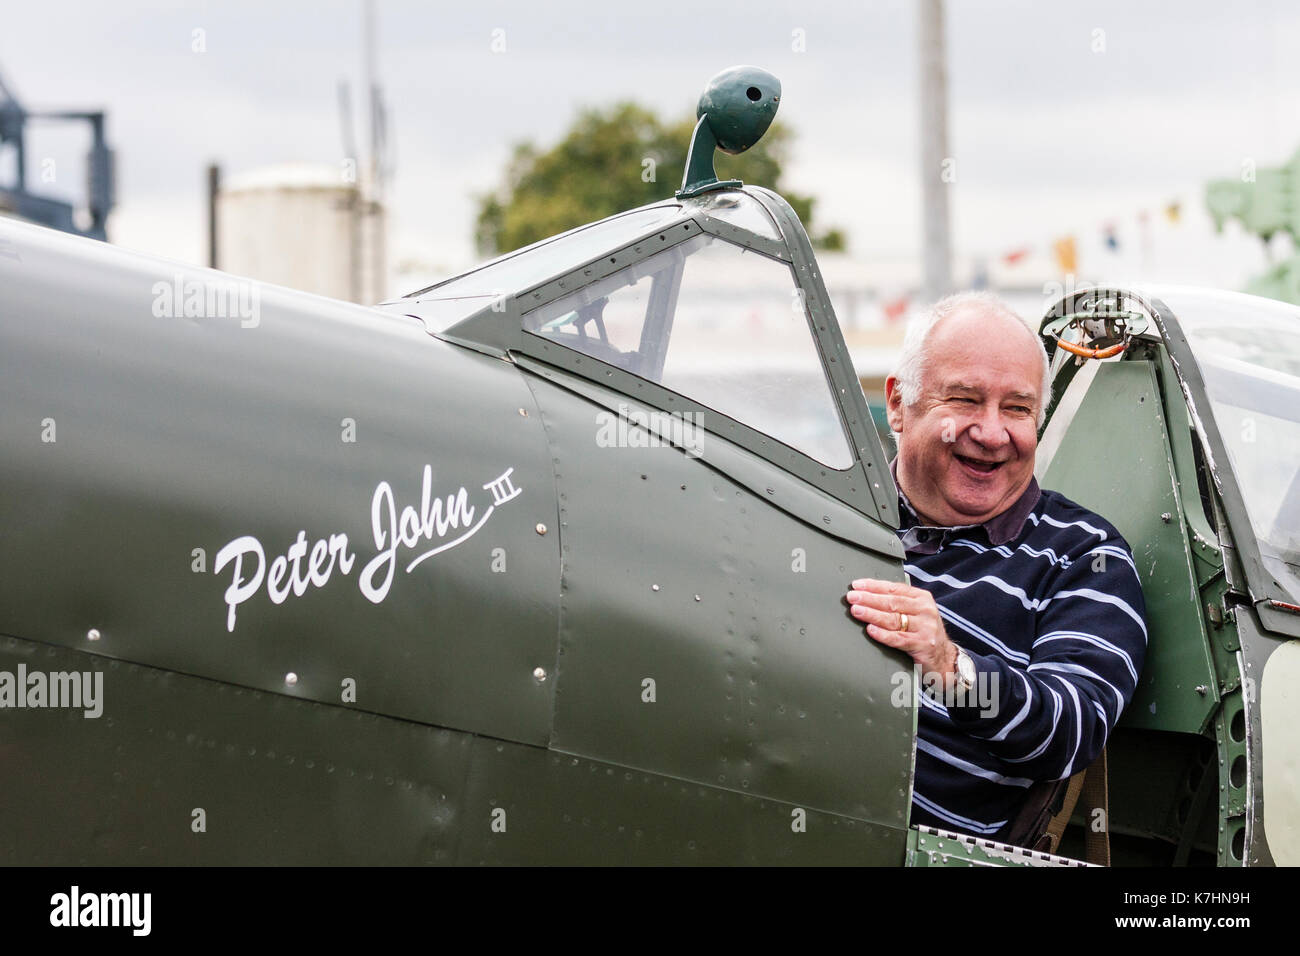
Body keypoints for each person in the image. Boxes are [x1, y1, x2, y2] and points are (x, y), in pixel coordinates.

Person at [846, 291, 1146, 845]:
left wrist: (949, 667)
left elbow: (1071, 730)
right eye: (964, 399)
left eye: (1017, 409)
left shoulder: (1085, 557)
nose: (991, 433)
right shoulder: (827, 509)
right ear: (897, 404)